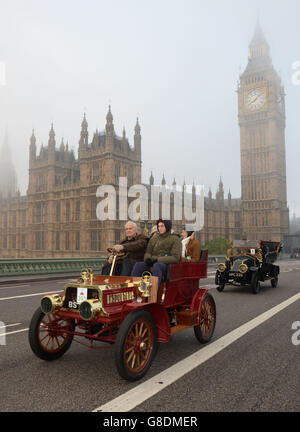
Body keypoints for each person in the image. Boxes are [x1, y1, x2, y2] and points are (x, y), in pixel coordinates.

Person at [131, 219, 181, 285]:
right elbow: (148, 252)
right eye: (159, 226)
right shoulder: (154, 238)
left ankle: (153, 293)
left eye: (162, 226)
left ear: (167, 226)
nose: (160, 228)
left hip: (166, 265)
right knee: (138, 265)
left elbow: (175, 258)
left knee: (157, 266)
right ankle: (134, 289)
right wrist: (147, 259)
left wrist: (157, 259)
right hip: (152, 262)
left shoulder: (175, 239)